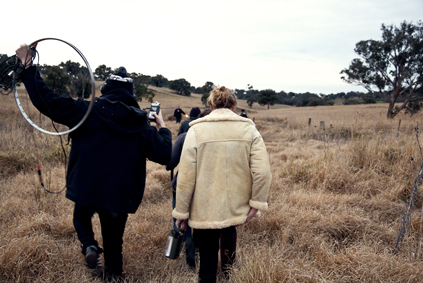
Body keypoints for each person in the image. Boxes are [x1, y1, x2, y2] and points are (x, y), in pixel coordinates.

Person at [16, 44, 172, 281]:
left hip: (87, 188)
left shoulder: (85, 111)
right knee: (114, 245)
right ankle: (112, 275)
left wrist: (28, 67)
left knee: (80, 217)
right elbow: (165, 154)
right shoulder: (141, 124)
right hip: (119, 197)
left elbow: (46, 100)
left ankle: (88, 245)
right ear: (130, 93)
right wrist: (161, 127)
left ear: (106, 89)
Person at [173, 86, 271, 283]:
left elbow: (185, 177)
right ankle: (228, 274)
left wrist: (181, 213)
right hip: (235, 206)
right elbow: (262, 172)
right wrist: (257, 203)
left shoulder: (196, 130)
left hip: (204, 208)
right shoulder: (249, 129)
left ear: (210, 105)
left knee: (207, 264)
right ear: (234, 106)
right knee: (229, 240)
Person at [166, 109, 212, 269]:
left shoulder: (184, 137)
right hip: (207, 188)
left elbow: (170, 163)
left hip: (182, 186)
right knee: (200, 222)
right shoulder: (219, 142)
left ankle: (187, 243)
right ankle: (198, 247)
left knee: (180, 219)